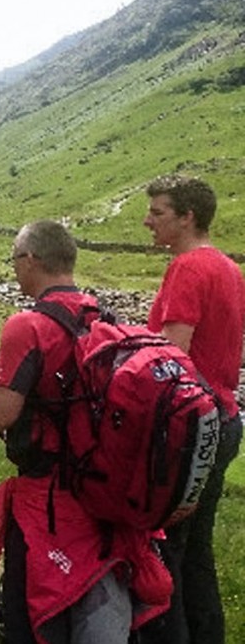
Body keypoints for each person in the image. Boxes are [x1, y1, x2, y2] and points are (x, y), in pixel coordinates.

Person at [0, 220, 169, 643]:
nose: (14, 270)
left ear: (30, 260)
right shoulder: (101, 317)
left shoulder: (27, 325)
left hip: (46, 495)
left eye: (14, 260)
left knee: (33, 612)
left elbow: (4, 414)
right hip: (101, 488)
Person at [137, 175, 245, 644]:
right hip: (223, 417)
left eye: (158, 212)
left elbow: (171, 358)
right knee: (197, 551)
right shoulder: (228, 267)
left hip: (188, 426)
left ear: (188, 217)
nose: (148, 221)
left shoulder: (187, 268)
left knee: (167, 552)